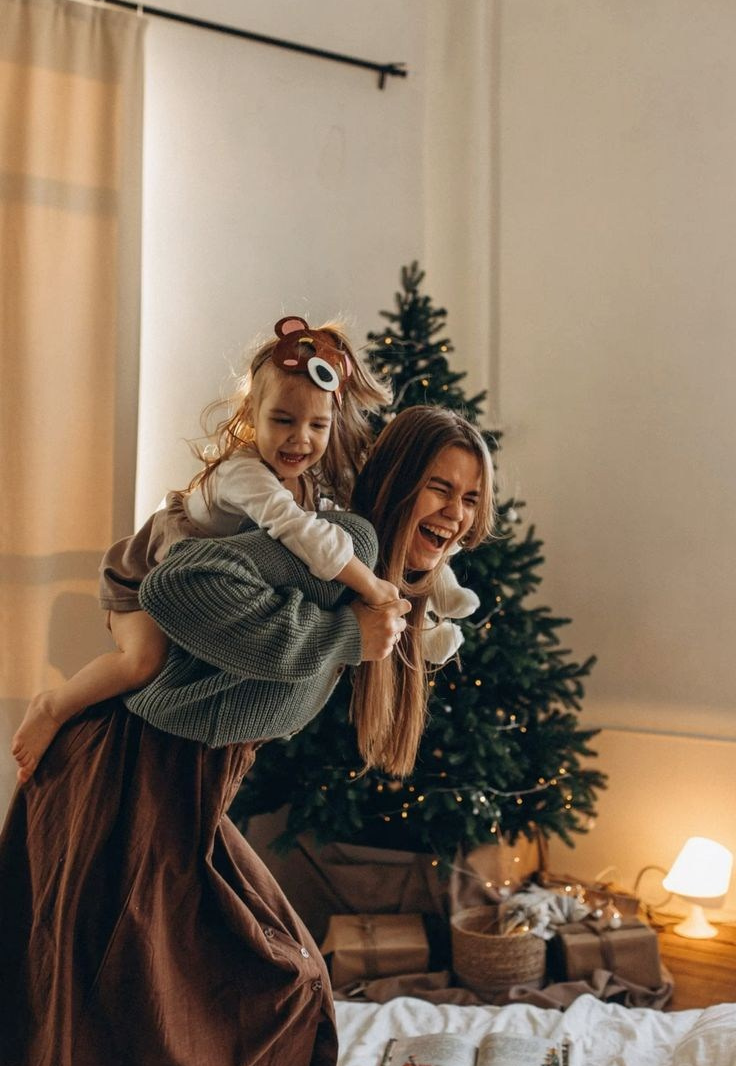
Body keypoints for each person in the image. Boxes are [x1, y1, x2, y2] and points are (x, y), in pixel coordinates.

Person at [0, 404, 494, 1066]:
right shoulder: (328, 547)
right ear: (396, 485)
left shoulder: (366, 576)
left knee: (242, 1005)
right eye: (439, 488)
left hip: (180, 790)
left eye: (472, 497)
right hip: (127, 778)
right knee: (198, 1012)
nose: (456, 514)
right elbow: (173, 588)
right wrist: (338, 636)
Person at [12, 319, 477, 783]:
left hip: (196, 763)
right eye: (282, 420)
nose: (301, 438)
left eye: (318, 425)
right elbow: (188, 578)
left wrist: (402, 604)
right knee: (140, 662)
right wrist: (364, 602)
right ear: (251, 415)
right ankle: (53, 706)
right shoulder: (251, 477)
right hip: (142, 571)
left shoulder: (313, 489)